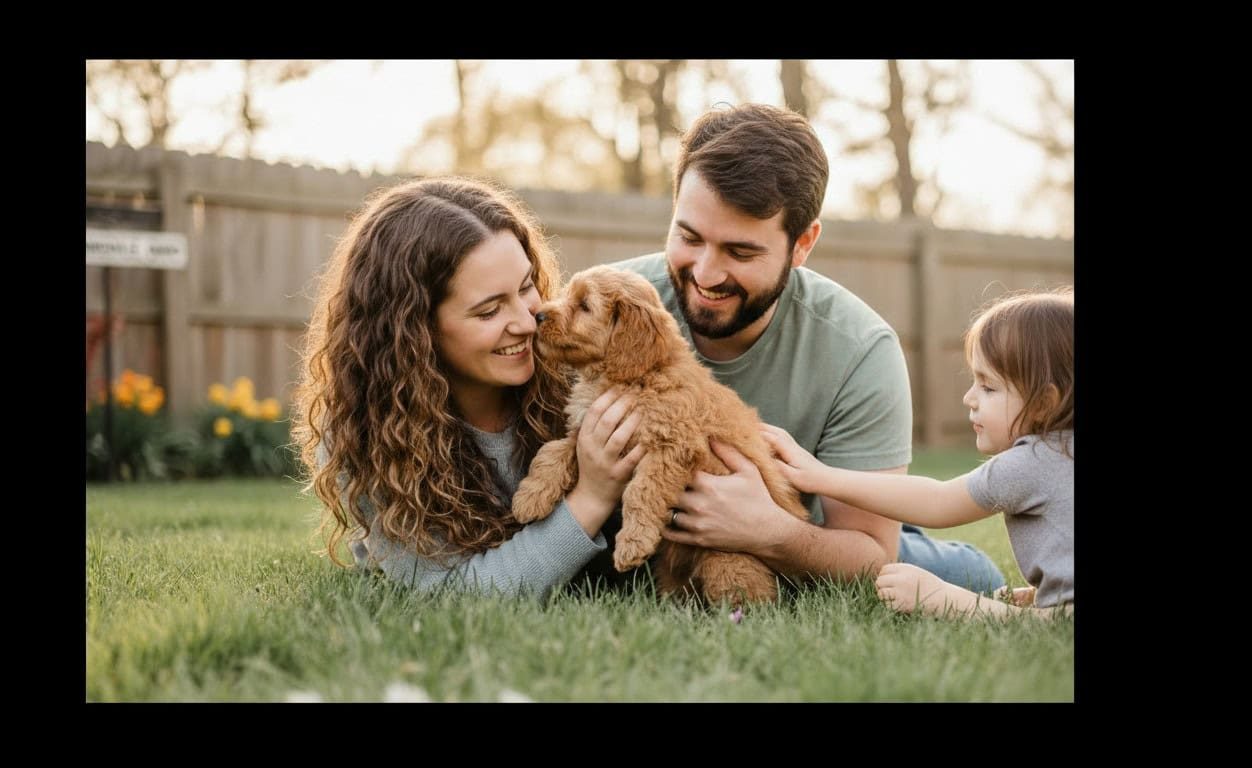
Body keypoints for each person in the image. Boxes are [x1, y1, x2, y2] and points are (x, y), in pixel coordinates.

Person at [610, 103, 1005, 593]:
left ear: (803, 244)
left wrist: (770, 533)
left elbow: (869, 552)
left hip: (815, 528)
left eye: (741, 251)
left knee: (971, 578)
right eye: (689, 237)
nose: (706, 274)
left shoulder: (861, 350)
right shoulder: (614, 307)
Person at [292, 177, 645, 599]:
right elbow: (451, 594)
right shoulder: (368, 433)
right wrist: (591, 496)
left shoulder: (579, 371)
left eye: (526, 286)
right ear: (416, 331)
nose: (527, 321)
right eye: (489, 310)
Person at [763, 289, 1073, 617]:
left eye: (988, 387)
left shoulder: (1031, 462)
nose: (970, 398)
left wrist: (821, 476)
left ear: (1043, 404)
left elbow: (937, 502)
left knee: (1019, 617)